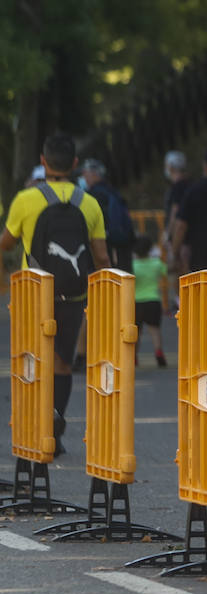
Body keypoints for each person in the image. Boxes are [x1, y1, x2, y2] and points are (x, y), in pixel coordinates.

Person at [0, 133, 111, 457]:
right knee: (63, 362)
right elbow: (101, 256)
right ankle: (55, 427)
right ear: (75, 164)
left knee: (31, 360)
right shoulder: (88, 203)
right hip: (71, 296)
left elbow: (6, 242)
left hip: (32, 293)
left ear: (43, 162)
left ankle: (32, 430)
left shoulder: (25, 200)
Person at [79, 158, 135, 272]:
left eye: (85, 174)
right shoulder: (111, 190)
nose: (83, 178)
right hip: (122, 245)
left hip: (107, 246)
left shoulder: (93, 195)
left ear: (94, 174)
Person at [131, 234, 169, 368]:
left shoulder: (132, 266)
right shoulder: (157, 263)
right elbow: (166, 272)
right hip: (153, 300)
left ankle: (133, 356)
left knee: (137, 331)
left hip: (136, 302)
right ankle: (158, 351)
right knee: (155, 329)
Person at [162, 150, 193, 293]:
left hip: (180, 234)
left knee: (180, 266)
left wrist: (169, 233)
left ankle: (184, 299)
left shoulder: (177, 187)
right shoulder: (190, 184)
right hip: (190, 232)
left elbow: (175, 212)